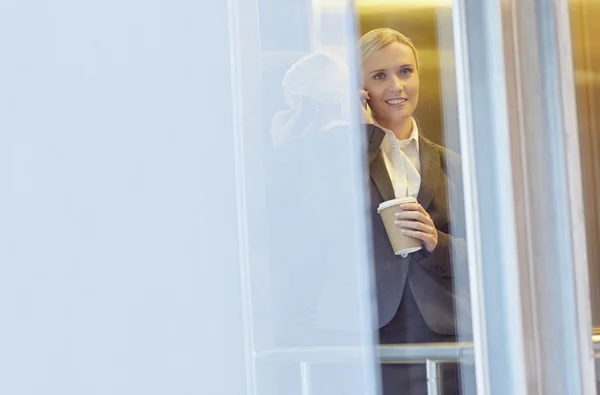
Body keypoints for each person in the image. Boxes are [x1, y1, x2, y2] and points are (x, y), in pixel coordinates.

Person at [359, 28, 472, 395]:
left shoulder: (451, 163)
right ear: (360, 91)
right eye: (379, 76)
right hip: (371, 335)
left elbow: (488, 259)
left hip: (444, 335)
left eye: (405, 71)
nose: (397, 86)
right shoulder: (340, 162)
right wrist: (361, 133)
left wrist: (437, 243)